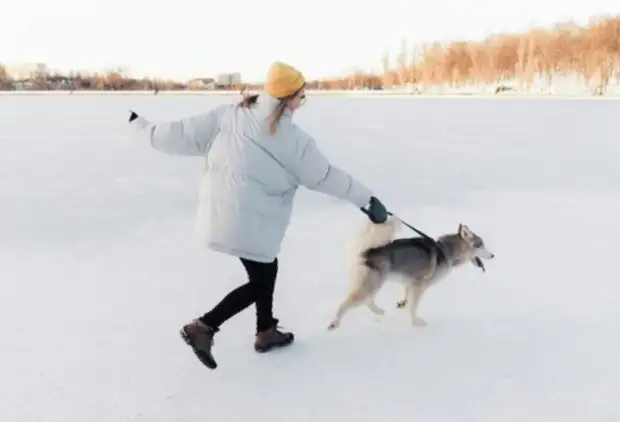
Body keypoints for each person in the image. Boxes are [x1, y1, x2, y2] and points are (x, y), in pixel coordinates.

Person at [128, 61, 388, 369]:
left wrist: (139, 126)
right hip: (251, 224)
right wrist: (366, 200)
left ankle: (266, 330)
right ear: (288, 97)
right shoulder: (295, 142)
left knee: (266, 271)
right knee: (261, 281)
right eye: (301, 97)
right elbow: (326, 176)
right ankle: (204, 327)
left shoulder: (228, 116)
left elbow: (175, 135)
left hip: (218, 217)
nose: (301, 103)